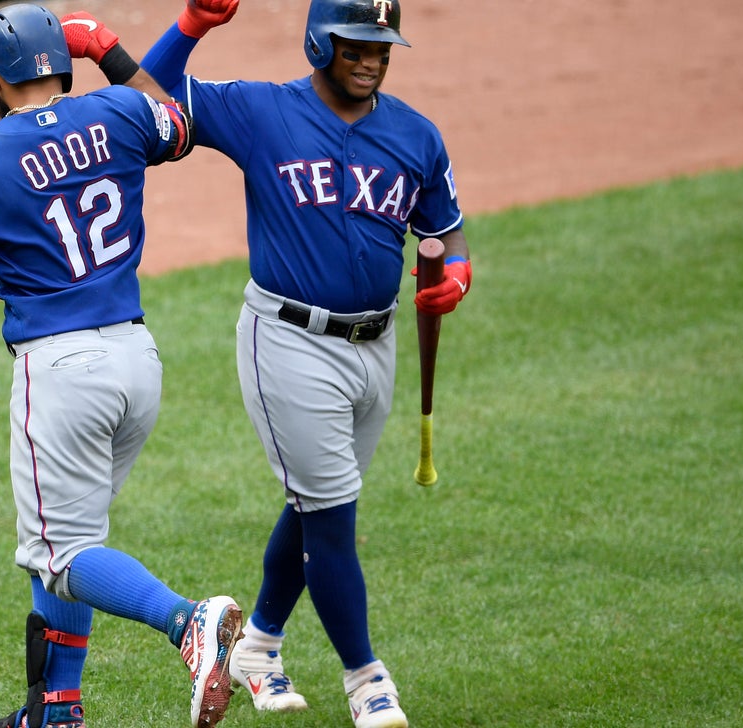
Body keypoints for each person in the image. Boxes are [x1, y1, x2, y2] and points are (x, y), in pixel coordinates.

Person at [0, 5, 243, 727]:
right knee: (68, 540)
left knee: (61, 553)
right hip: (137, 359)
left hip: (61, 371)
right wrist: (110, 51)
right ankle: (56, 712)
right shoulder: (119, 110)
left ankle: (189, 622)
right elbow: (173, 121)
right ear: (63, 62)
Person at [138, 1, 475, 726]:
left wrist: (458, 279)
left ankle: (257, 643)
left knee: (317, 500)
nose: (372, 59)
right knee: (331, 515)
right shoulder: (261, 111)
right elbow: (150, 96)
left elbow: (447, 231)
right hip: (287, 343)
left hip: (375, 347)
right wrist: (193, 25)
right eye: (357, 44)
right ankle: (366, 679)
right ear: (322, 40)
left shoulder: (416, 135)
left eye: (382, 47)